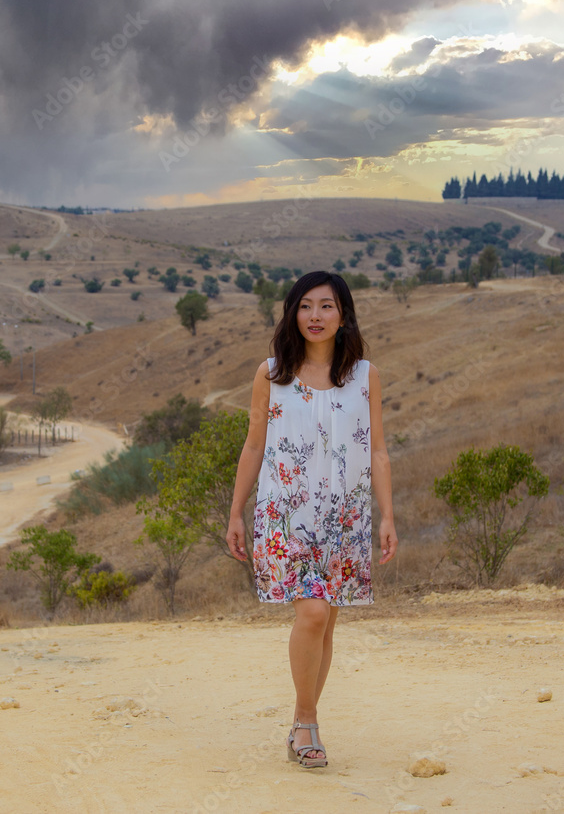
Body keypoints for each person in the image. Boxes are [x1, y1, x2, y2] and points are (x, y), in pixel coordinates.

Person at [226, 270, 397, 769]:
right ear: (292, 313)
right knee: (314, 614)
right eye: (305, 306)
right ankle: (306, 723)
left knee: (326, 626)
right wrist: (236, 511)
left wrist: (388, 515)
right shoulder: (271, 374)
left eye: (326, 306)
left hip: (344, 517)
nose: (315, 316)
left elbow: (378, 450)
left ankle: (303, 723)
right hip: (285, 513)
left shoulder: (364, 376)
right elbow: (253, 445)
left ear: (343, 315)